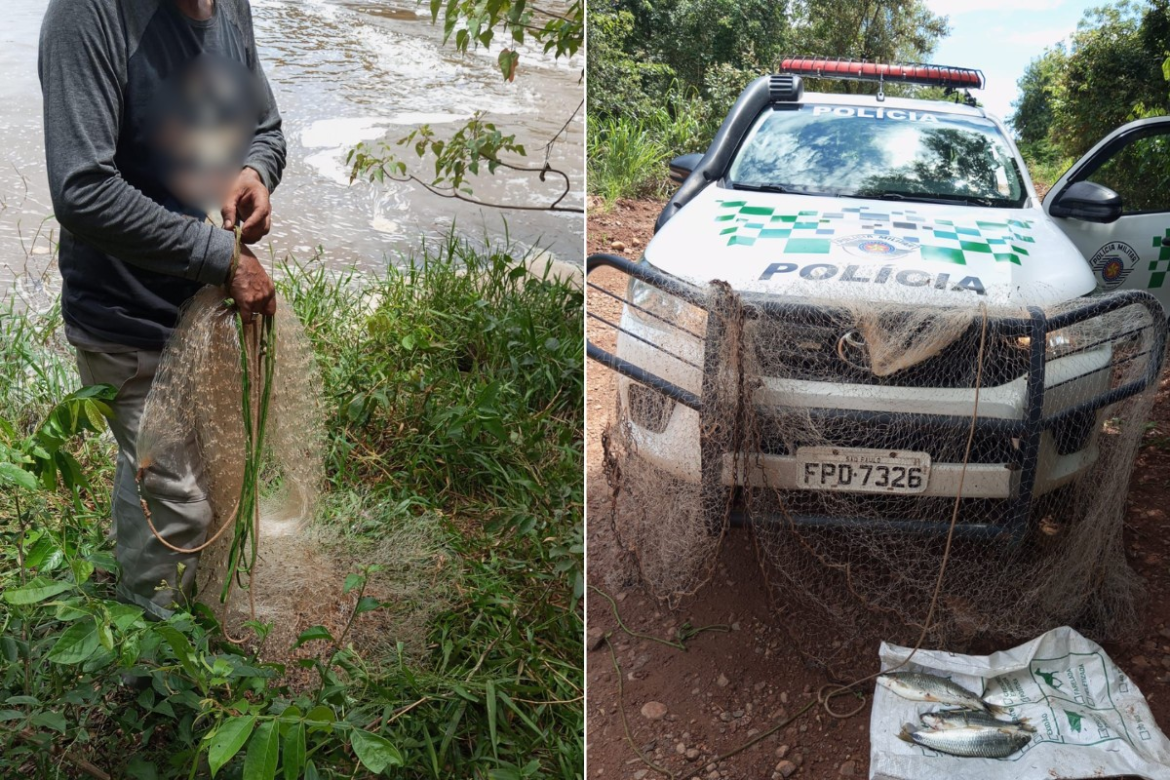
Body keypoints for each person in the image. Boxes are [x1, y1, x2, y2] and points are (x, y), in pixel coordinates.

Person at [38, 0, 284, 619]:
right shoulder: (87, 15)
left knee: (175, 473)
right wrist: (223, 260)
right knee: (180, 501)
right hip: (126, 317)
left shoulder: (229, 5)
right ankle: (155, 667)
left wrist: (256, 170)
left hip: (201, 311)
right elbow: (82, 188)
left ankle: (166, 606)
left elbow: (265, 125)